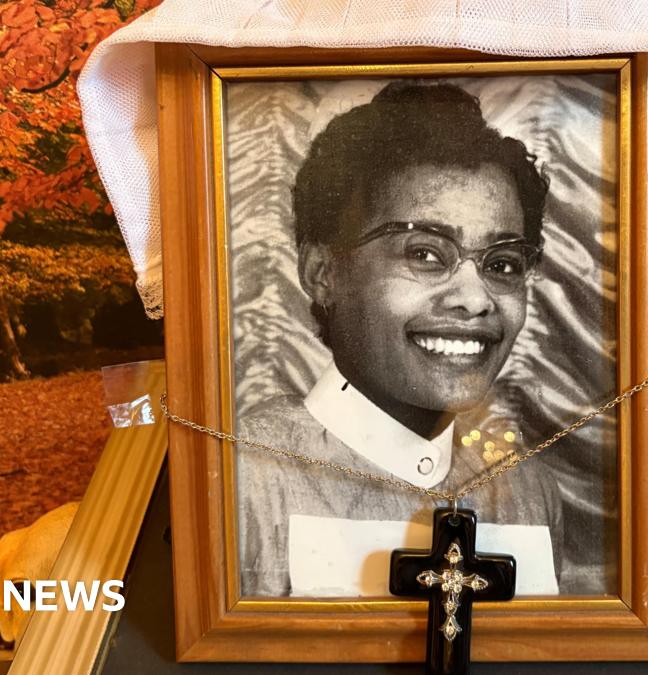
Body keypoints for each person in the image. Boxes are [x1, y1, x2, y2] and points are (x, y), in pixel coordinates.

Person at [234, 82, 565, 597]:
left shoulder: (528, 490)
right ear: (322, 272)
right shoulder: (241, 481)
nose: (476, 299)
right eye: (425, 254)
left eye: (503, 264)